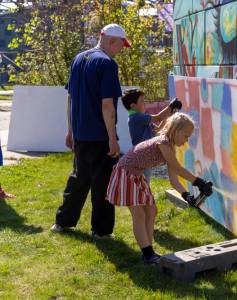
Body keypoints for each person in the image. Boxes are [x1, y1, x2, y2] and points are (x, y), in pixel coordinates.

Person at [50, 24, 131, 237]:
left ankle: (63, 222)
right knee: (102, 184)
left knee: (78, 179)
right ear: (112, 41)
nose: (120, 50)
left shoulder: (78, 59)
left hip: (81, 135)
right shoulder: (107, 64)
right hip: (100, 136)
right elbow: (108, 105)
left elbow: (71, 99)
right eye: (121, 46)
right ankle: (101, 231)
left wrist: (71, 130)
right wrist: (112, 139)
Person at [106, 112, 213, 264]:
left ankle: (148, 249)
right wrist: (199, 182)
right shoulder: (163, 142)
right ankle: (148, 254)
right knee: (139, 214)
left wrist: (186, 195)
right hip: (126, 172)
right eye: (186, 136)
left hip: (136, 175)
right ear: (175, 130)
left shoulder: (170, 148)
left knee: (151, 210)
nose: (186, 141)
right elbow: (178, 168)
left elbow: (173, 179)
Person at [121, 88, 182, 180]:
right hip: (141, 158)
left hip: (145, 156)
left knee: (145, 184)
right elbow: (158, 117)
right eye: (142, 101)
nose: (144, 103)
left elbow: (158, 129)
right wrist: (171, 106)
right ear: (133, 106)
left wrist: (169, 113)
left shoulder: (141, 119)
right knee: (142, 184)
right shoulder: (136, 117)